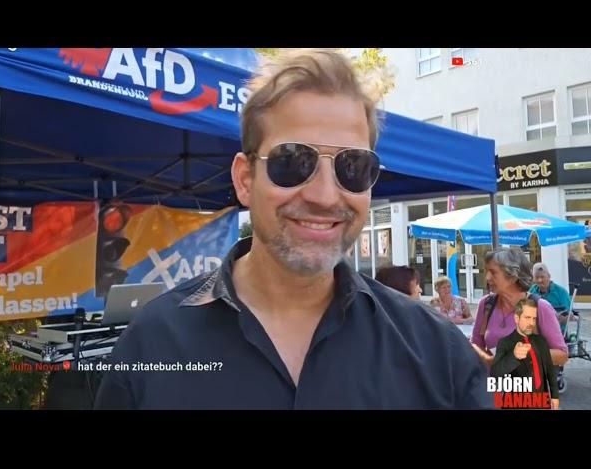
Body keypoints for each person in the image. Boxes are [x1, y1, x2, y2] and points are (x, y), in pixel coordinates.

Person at [95, 49, 490, 409]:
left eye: (353, 168)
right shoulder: (153, 346)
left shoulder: (438, 354)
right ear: (245, 179)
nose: (323, 195)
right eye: (292, 162)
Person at [470, 247, 567, 369]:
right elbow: (475, 344)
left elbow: (562, 355)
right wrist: (487, 359)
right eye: (486, 272)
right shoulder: (486, 304)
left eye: (493, 272)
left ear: (513, 276)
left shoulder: (540, 307)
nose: (487, 277)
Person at [490, 298, 559, 409]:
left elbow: (550, 369)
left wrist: (555, 396)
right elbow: (495, 373)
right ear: (517, 318)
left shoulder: (541, 341)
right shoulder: (505, 342)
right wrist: (513, 357)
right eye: (527, 318)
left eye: (534, 319)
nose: (531, 323)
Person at [528, 262, 572, 333]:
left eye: (542, 277)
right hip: (537, 332)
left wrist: (560, 319)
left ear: (549, 276)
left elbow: (569, 314)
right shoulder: (532, 291)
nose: (539, 280)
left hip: (557, 332)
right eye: (537, 277)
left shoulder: (561, 292)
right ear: (533, 278)